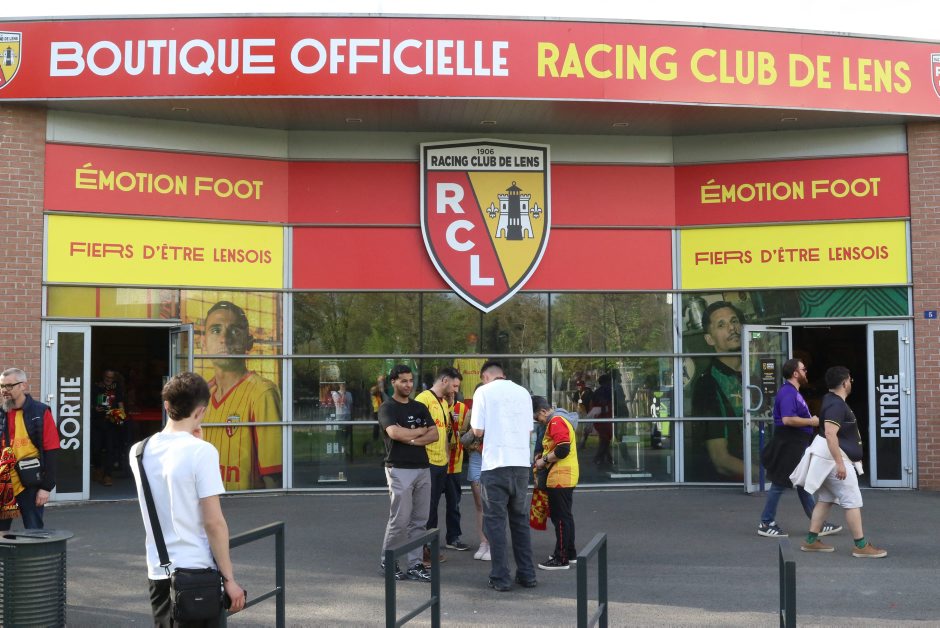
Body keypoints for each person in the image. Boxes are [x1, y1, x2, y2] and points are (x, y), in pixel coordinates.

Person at [129, 371, 246, 626]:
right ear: (201, 411)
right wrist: (229, 579)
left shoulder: (138, 451)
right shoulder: (202, 452)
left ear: (166, 406)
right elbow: (214, 523)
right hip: (198, 572)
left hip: (159, 571)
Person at [794, 366, 887, 558]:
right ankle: (861, 545)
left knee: (826, 499)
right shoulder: (836, 405)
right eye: (850, 380)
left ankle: (811, 541)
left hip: (828, 459)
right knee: (852, 500)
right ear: (844, 383)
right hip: (833, 460)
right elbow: (830, 434)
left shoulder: (830, 400)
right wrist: (840, 463)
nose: (851, 382)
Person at [200, 300, 283, 491]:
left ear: (249, 342)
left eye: (235, 331)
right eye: (216, 330)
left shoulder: (262, 392)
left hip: (245, 504)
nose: (224, 338)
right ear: (203, 343)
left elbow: (273, 476)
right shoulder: (202, 395)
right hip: (210, 501)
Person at [470, 360, 537, 592]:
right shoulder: (523, 392)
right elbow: (529, 429)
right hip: (520, 465)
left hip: (495, 464)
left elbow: (477, 430)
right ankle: (527, 575)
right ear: (503, 374)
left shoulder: (483, 392)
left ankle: (501, 577)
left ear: (485, 377)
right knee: (520, 521)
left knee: (495, 524)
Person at [757, 358, 842, 538]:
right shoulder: (788, 393)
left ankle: (817, 523)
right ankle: (765, 522)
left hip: (794, 443)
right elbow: (787, 419)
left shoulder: (792, 392)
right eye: (803, 370)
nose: (806, 372)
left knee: (803, 482)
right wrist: (811, 421)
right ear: (795, 373)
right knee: (779, 483)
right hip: (789, 444)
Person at [378, 364, 439, 582]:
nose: (408, 385)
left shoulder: (419, 407)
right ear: (393, 382)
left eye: (410, 380)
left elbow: (434, 435)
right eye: (403, 381)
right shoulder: (387, 408)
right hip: (398, 469)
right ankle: (388, 561)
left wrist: (411, 438)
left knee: (420, 521)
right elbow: (394, 433)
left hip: (422, 469)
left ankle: (415, 565)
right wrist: (419, 432)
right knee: (400, 519)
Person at [690, 301, 746, 481]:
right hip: (734, 488)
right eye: (721, 325)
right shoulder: (707, 385)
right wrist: (766, 477)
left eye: (734, 321)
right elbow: (721, 461)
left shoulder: (759, 373)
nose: (732, 328)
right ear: (709, 339)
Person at [415, 367, 465, 562]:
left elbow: (445, 432)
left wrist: (445, 456)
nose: (455, 390)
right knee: (426, 509)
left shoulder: (444, 402)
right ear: (444, 381)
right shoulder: (424, 399)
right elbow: (417, 430)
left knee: (433, 508)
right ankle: (421, 552)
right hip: (427, 462)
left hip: (441, 463)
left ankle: (428, 549)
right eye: (454, 386)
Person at [0, 368, 60, 530]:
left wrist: (46, 487)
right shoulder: (1, 413)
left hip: (30, 482)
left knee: (34, 531)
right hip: (4, 483)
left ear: (23, 386)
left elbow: (51, 450)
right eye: (2, 386)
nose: (4, 390)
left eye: (9, 386)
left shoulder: (40, 412)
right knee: (1, 532)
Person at [532, 396, 579, 570]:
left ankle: (561, 557)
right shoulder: (561, 419)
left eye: (537, 417)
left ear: (543, 411)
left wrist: (543, 460)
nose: (538, 421)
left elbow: (563, 448)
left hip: (560, 476)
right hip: (566, 474)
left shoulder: (556, 421)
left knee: (560, 518)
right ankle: (569, 552)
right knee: (565, 516)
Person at [460, 383, 490, 560]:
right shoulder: (471, 414)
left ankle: (493, 543)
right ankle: (483, 542)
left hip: (493, 459)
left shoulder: (499, 412)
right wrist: (474, 430)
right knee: (480, 504)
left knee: (493, 504)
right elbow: (463, 440)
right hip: (476, 458)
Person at [91, 368, 126, 486]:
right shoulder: (95, 386)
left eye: (111, 378)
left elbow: (120, 403)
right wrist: (94, 408)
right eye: (107, 377)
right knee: (96, 448)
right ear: (103, 376)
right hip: (97, 422)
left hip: (111, 423)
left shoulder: (117, 387)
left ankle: (108, 475)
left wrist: (121, 416)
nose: (109, 379)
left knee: (110, 449)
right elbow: (87, 402)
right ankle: (98, 469)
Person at [584, 374, 614, 470]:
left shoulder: (598, 391)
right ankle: (598, 458)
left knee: (604, 439)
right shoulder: (607, 390)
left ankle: (607, 458)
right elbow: (604, 404)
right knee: (605, 439)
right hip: (604, 417)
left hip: (600, 417)